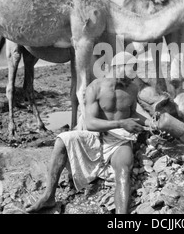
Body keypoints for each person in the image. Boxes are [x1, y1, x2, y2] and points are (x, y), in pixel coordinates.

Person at [25, 51, 151, 214]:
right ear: (119, 68)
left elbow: (133, 112)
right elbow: (91, 123)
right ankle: (48, 196)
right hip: (94, 135)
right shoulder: (95, 87)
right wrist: (120, 123)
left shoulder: (132, 88)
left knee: (124, 170)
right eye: (131, 70)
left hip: (119, 140)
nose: (134, 76)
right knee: (62, 140)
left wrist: (150, 123)